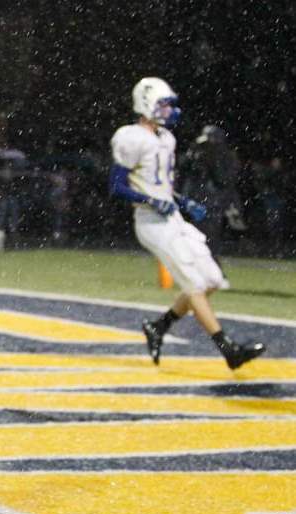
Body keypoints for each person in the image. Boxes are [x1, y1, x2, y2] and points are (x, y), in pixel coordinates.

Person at [109, 77, 265, 370]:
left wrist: (183, 202)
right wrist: (150, 201)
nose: (169, 110)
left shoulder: (166, 139)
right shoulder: (130, 137)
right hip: (151, 223)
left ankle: (159, 326)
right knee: (194, 284)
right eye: (164, 104)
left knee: (212, 280)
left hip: (172, 219)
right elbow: (116, 186)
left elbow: (162, 187)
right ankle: (228, 349)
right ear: (147, 104)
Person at [179, 125, 246, 253]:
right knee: (191, 238)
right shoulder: (197, 154)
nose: (207, 147)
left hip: (215, 203)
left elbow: (225, 181)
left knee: (209, 238)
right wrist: (191, 156)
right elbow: (183, 171)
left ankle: (210, 261)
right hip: (195, 202)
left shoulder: (227, 157)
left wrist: (212, 162)